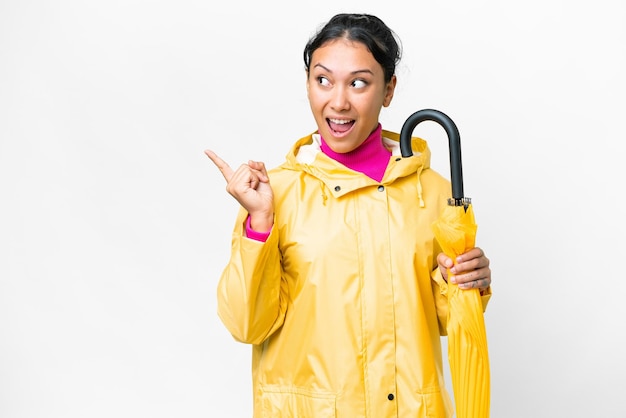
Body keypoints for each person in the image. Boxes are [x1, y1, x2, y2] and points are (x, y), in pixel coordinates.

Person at [205, 13, 492, 417]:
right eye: (323, 80)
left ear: (388, 90)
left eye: (359, 83)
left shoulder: (434, 192)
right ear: (308, 84)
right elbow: (246, 325)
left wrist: (464, 284)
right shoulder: (276, 193)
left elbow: (444, 321)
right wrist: (259, 227)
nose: (338, 102)